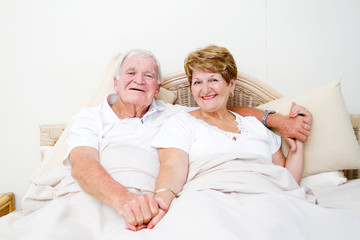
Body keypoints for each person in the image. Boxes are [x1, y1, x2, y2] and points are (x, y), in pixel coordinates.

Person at [0, 48, 311, 239]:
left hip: (148, 198)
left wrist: (275, 120)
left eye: (148, 75)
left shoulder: (176, 114)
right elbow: (83, 164)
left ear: (158, 87)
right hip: (102, 194)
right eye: (131, 72)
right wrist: (124, 200)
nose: (139, 79)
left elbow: (222, 110)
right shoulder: (89, 117)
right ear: (117, 81)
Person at [113, 45, 360, 239]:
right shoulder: (181, 122)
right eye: (197, 82)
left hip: (267, 197)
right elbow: (172, 167)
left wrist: (297, 145)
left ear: (231, 85)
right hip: (211, 198)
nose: (204, 89)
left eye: (213, 80)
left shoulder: (254, 125)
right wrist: (162, 201)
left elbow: (286, 179)